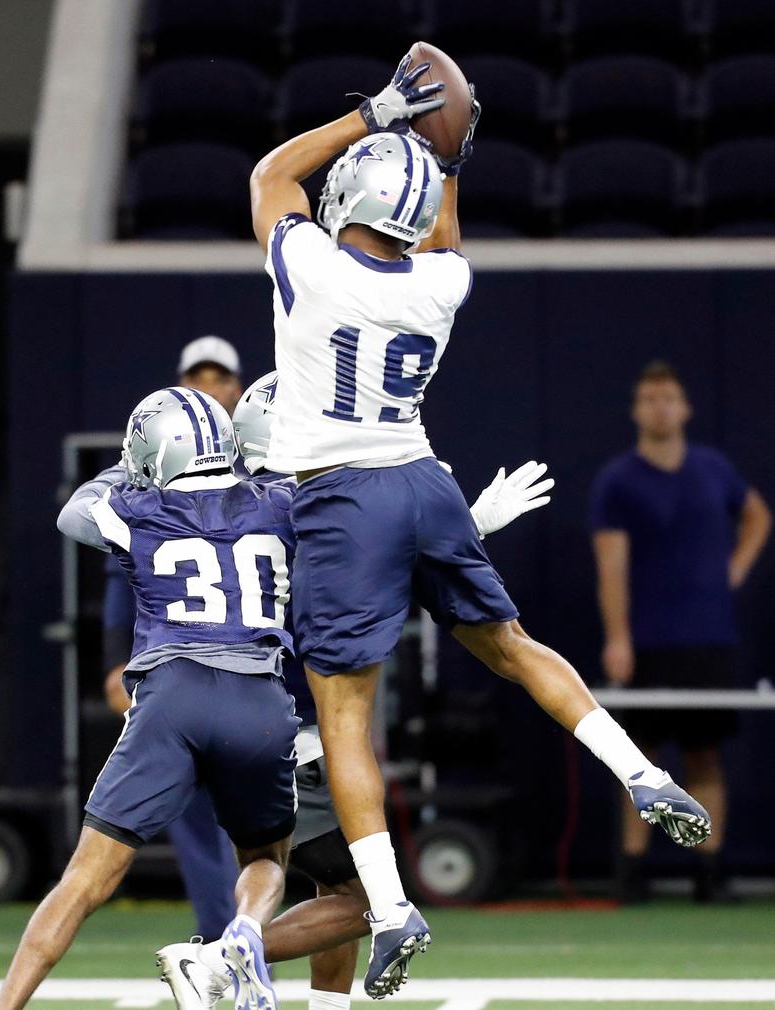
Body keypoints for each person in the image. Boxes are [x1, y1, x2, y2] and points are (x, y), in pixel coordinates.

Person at [248, 56, 711, 996]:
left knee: (344, 715)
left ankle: (390, 902)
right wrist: (448, 158)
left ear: (359, 197)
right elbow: (444, 233)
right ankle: (639, 769)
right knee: (511, 643)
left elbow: (269, 177)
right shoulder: (439, 287)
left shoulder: (311, 268)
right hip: (425, 480)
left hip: (344, 494)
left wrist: (369, 117)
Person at [158, 371, 556, 1010]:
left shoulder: (239, 509)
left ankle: (314, 999)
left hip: (240, 725)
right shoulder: (305, 508)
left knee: (330, 881)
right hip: (295, 736)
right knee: (365, 901)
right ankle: (209, 964)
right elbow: (375, 578)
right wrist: (465, 524)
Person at [0, 388, 298, 1010]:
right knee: (266, 857)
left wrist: (135, 468)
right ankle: (241, 936)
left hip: (175, 698)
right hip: (260, 703)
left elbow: (74, 513)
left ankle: (5, 1008)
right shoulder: (282, 502)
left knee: (83, 880)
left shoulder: (136, 506)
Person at [590, 360, 771, 903]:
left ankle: (707, 872)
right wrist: (618, 638)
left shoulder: (714, 469)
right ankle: (634, 874)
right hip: (646, 643)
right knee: (638, 760)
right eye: (649, 398)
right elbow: (611, 568)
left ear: (684, 407)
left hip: (709, 642)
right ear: (637, 410)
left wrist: (734, 568)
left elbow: (757, 514)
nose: (659, 407)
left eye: (668, 397)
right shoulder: (618, 481)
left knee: (705, 757)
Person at [100, 337, 245, 941]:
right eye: (198, 379)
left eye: (220, 380)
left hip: (252, 665)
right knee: (186, 818)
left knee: (261, 827)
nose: (210, 391)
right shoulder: (151, 474)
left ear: (239, 390)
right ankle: (224, 942)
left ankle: (243, 941)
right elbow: (120, 572)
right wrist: (117, 663)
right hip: (179, 666)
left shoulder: (264, 460)